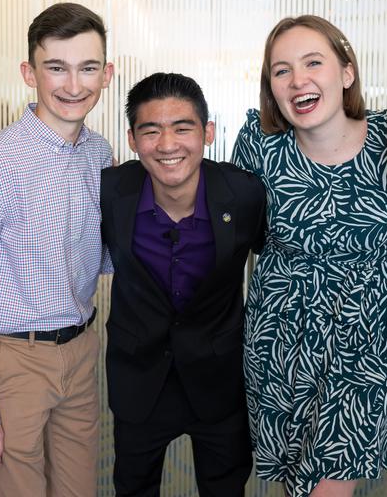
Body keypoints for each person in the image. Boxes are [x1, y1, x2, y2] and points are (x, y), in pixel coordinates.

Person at [231, 16, 387, 497]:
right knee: (295, 482)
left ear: (346, 73)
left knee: (329, 486)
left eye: (314, 63)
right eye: (281, 70)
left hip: (368, 330)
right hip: (281, 332)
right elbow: (239, 237)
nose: (298, 81)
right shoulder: (258, 146)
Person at [0, 2, 114, 497]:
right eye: (56, 67)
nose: (73, 84)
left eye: (88, 68)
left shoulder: (100, 154)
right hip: (16, 359)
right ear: (29, 72)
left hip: (82, 351)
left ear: (107, 74)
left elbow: (95, 255)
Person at [101, 72, 267, 496]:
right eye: (151, 131)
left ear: (207, 133)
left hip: (219, 379)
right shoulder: (109, 192)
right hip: (140, 379)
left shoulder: (244, 194)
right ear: (133, 140)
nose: (168, 144)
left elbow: (285, 252)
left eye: (183, 128)